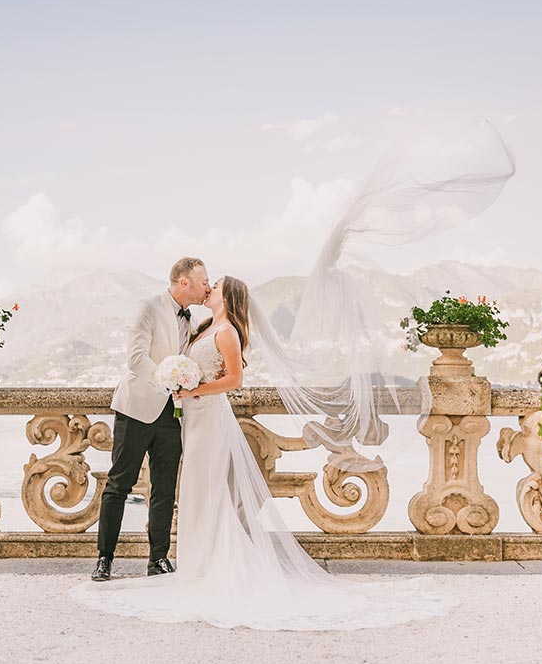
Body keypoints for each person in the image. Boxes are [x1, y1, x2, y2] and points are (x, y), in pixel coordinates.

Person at [71, 275, 458, 630]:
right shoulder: (202, 325)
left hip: (206, 416)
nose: (209, 287)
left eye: (215, 284)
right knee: (193, 490)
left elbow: (234, 379)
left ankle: (203, 567)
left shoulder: (227, 331)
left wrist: (192, 391)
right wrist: (182, 385)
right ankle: (191, 564)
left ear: (229, 296)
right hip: (188, 418)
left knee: (202, 491)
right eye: (206, 282)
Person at [91, 256, 211, 582]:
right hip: (136, 409)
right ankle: (104, 559)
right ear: (184, 282)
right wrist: (167, 378)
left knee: (165, 489)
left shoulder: (196, 320)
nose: (207, 287)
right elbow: (135, 358)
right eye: (203, 281)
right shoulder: (148, 307)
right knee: (118, 484)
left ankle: (158, 559)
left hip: (172, 415)